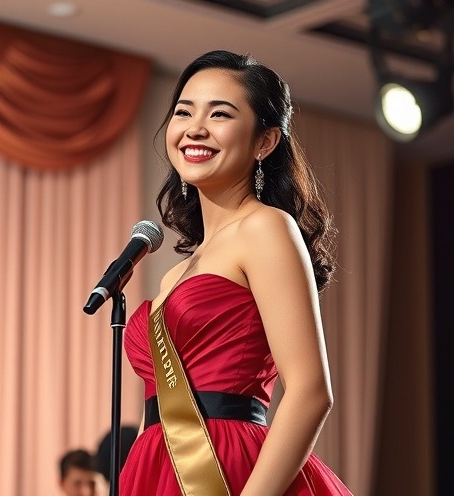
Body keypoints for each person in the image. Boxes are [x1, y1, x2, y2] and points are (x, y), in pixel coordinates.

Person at [119, 50, 352, 495]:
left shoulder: (265, 227)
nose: (194, 127)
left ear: (265, 141)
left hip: (230, 469)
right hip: (155, 467)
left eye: (220, 114)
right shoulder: (177, 272)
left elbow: (310, 391)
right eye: (183, 112)